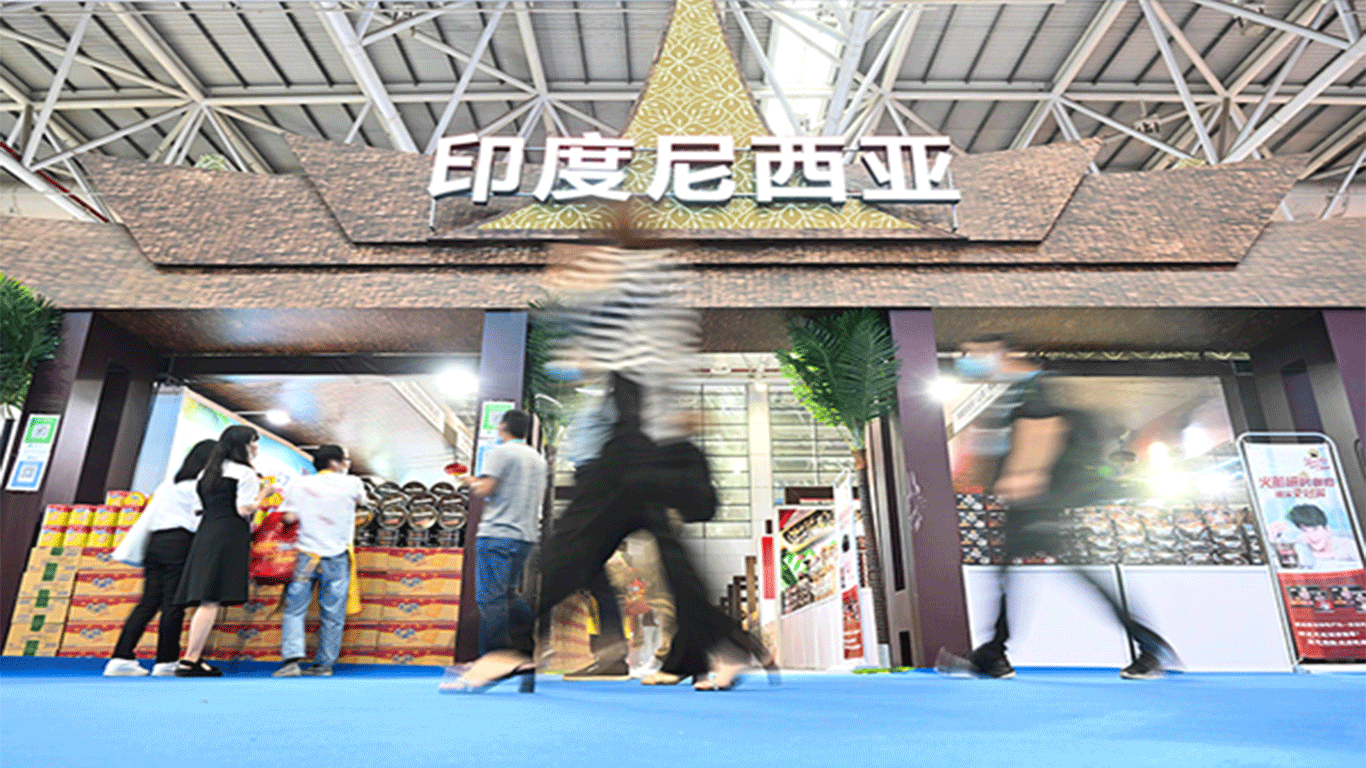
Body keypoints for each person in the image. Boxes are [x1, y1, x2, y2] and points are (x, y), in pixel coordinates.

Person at [953, 334, 1174, 681]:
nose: (969, 360)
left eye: (976, 353)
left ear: (1006, 354)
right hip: (1033, 502)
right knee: (1014, 574)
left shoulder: (1031, 387)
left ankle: (1149, 646)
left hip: (1038, 501)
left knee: (1072, 574)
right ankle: (993, 652)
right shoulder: (1011, 392)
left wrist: (1025, 476)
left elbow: (1044, 430)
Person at [102, 440, 217, 677]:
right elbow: (201, 520)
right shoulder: (200, 486)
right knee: (174, 604)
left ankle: (120, 657)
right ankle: (166, 660)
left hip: (155, 543)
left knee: (148, 602)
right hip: (180, 543)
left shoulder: (169, 484)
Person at [172, 425, 274, 677]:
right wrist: (264, 494)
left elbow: (198, 509)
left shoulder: (207, 473)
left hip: (206, 533)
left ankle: (193, 657)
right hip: (230, 535)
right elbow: (244, 509)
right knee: (210, 600)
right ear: (244, 445)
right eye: (254, 441)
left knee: (205, 598)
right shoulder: (245, 473)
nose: (256, 447)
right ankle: (190, 659)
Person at [272, 445, 365, 678]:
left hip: (305, 554)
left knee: (295, 609)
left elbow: (288, 516)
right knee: (333, 611)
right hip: (337, 555)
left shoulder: (300, 483)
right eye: (345, 460)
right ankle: (324, 664)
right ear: (335, 462)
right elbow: (363, 503)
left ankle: (291, 661)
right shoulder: (353, 483)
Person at [463, 409, 547, 664]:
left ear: (504, 427)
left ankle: (491, 659)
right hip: (526, 535)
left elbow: (485, 488)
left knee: (490, 599)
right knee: (508, 594)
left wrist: (468, 481)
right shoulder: (538, 459)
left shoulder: (499, 453)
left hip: (497, 532)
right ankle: (538, 639)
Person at [1268, 504, 1364, 572]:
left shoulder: (1348, 545)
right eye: (1305, 531)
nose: (1312, 536)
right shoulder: (1299, 544)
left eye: (1315, 529)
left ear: (1327, 529)